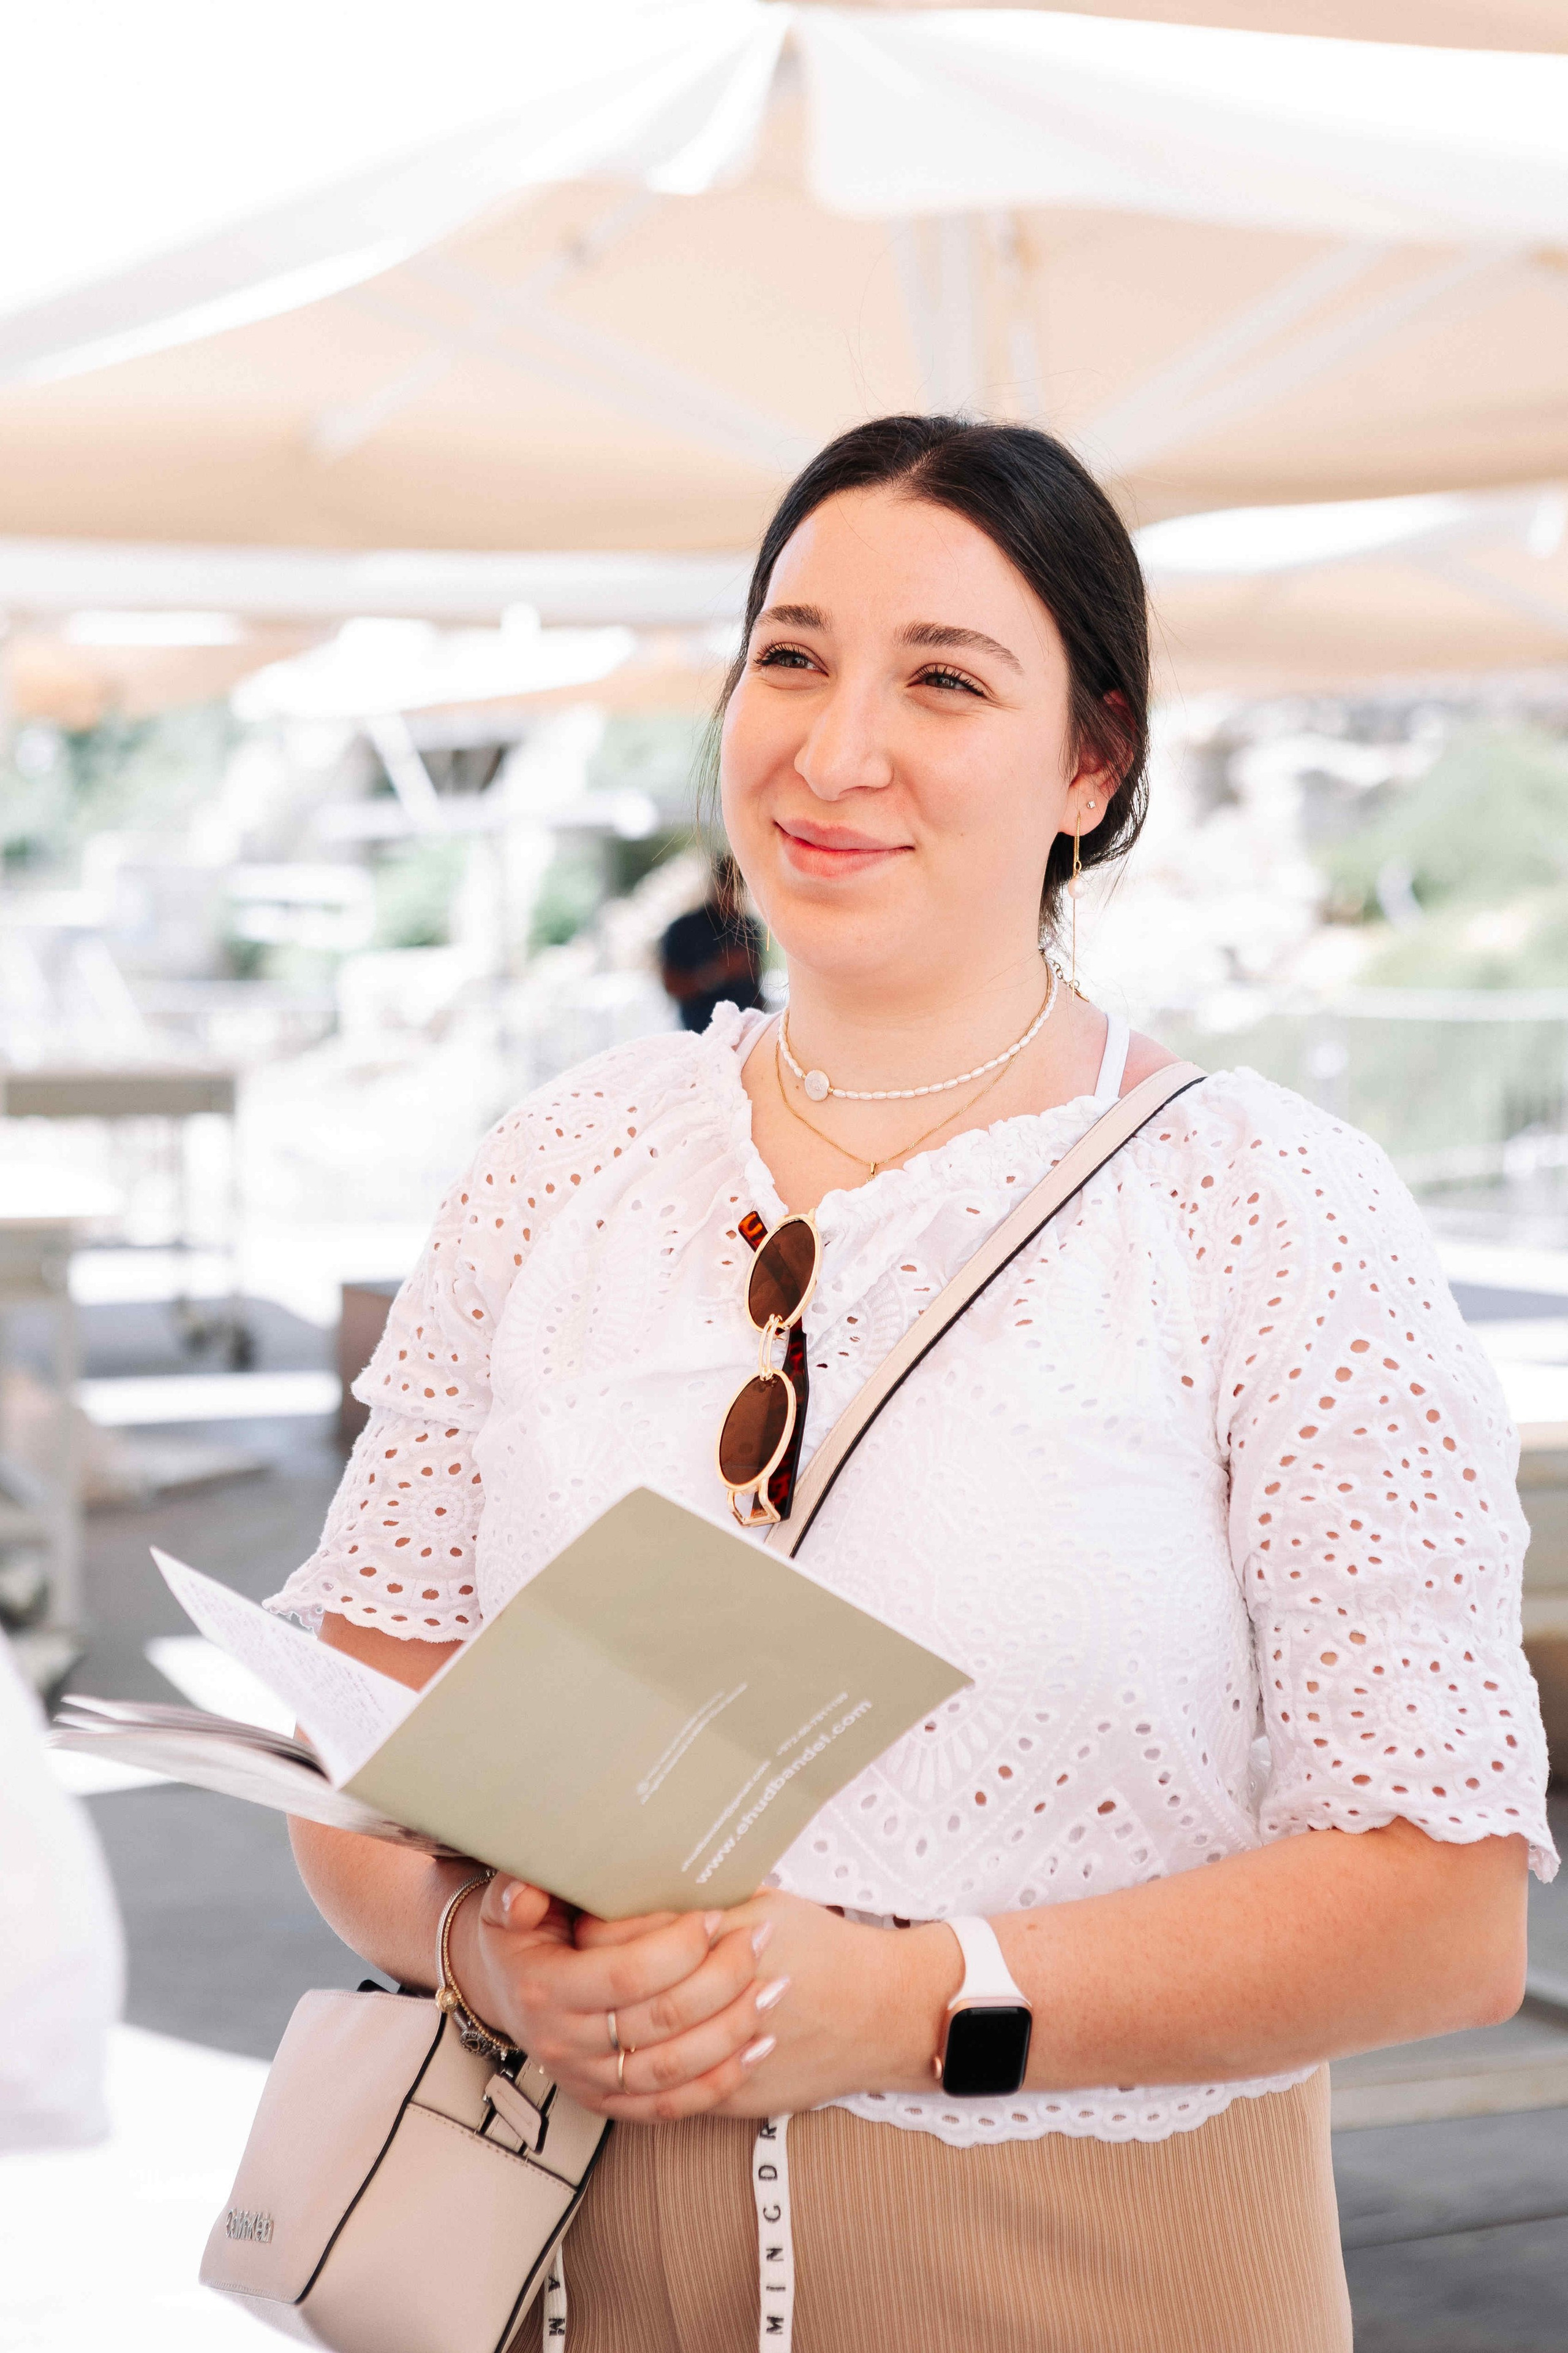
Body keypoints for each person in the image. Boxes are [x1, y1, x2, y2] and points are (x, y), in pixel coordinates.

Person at [273, 416, 1555, 2352]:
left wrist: (905, 1997)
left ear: (1092, 761)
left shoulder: (1267, 1208)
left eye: (944, 679)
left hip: (1097, 2274)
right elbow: (358, 1738)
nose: (835, 745)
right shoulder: (559, 1164)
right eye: (790, 657)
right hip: (570, 2269)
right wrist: (492, 1952)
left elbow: (1442, 1915)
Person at [659, 855, 766, 1033]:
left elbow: (755, 982)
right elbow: (672, 985)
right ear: (716, 885)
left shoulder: (749, 928)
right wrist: (718, 972)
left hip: (747, 1032)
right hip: (701, 1032)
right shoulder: (684, 929)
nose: (733, 896)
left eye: (739, 888)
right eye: (729, 887)